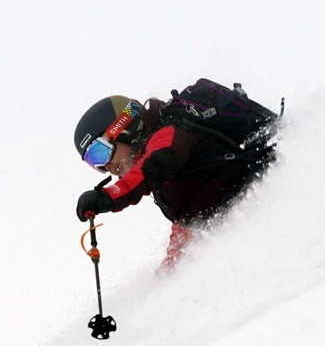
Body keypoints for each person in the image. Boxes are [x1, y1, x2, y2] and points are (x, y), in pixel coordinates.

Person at [72, 93, 276, 270]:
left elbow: (151, 169)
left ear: (121, 129)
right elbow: (189, 222)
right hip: (250, 218)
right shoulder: (163, 181)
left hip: (271, 191)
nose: (105, 167)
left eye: (100, 153)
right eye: (94, 163)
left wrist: (108, 197)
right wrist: (171, 273)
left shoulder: (168, 134)